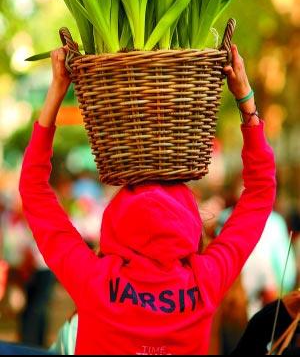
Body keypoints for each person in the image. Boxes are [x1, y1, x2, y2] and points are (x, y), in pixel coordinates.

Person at [18, 44, 276, 355]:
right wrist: (245, 97)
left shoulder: (94, 282)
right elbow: (260, 193)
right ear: (190, 222)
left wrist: (57, 90)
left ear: (114, 222)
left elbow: (34, 189)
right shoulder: (205, 282)